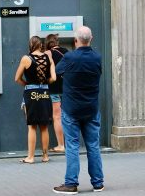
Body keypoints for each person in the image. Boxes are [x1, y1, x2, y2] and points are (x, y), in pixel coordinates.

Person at [53, 26, 104, 194]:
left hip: (71, 109)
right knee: (93, 146)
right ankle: (98, 183)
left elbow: (57, 72)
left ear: (76, 40)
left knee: (73, 146)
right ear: (91, 38)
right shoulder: (97, 57)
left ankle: (71, 184)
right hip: (91, 108)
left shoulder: (69, 57)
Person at [15, 36, 56, 164]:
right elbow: (53, 78)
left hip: (31, 93)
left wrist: (27, 85)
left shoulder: (26, 58)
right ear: (41, 45)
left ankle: (31, 157)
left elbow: (17, 78)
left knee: (32, 126)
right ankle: (45, 156)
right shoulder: (48, 58)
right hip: (44, 92)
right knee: (44, 126)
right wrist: (44, 84)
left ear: (31, 45)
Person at [44, 34, 68, 153]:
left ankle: (61, 145)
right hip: (67, 89)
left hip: (54, 89)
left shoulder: (48, 53)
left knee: (57, 117)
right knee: (68, 116)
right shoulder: (67, 52)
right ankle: (71, 143)